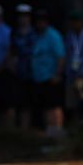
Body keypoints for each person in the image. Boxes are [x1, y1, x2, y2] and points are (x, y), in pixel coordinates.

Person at [29, 8, 66, 137]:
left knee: (54, 106)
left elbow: (61, 56)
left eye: (42, 21)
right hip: (39, 78)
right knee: (45, 107)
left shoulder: (53, 36)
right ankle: (50, 134)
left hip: (51, 78)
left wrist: (57, 74)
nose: (40, 23)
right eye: (38, 21)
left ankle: (57, 134)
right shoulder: (37, 36)